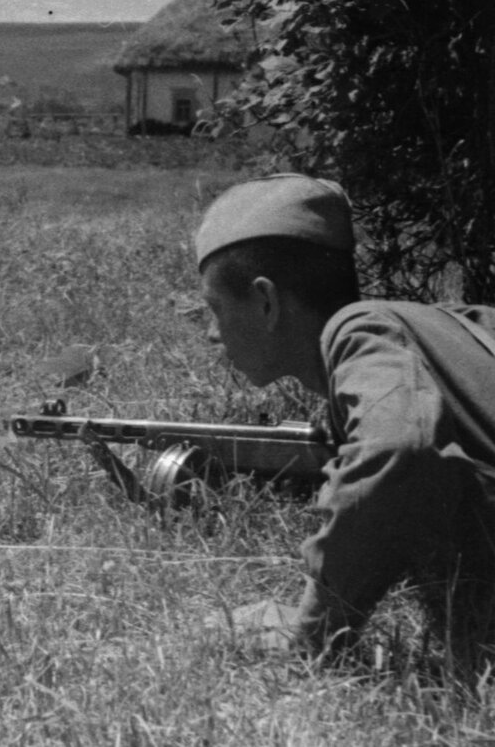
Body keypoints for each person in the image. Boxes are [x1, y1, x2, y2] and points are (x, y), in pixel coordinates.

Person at [196, 174, 495, 667]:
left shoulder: (358, 328)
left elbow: (397, 450)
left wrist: (311, 630)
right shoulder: (449, 326)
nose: (212, 334)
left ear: (266, 301)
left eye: (215, 309)